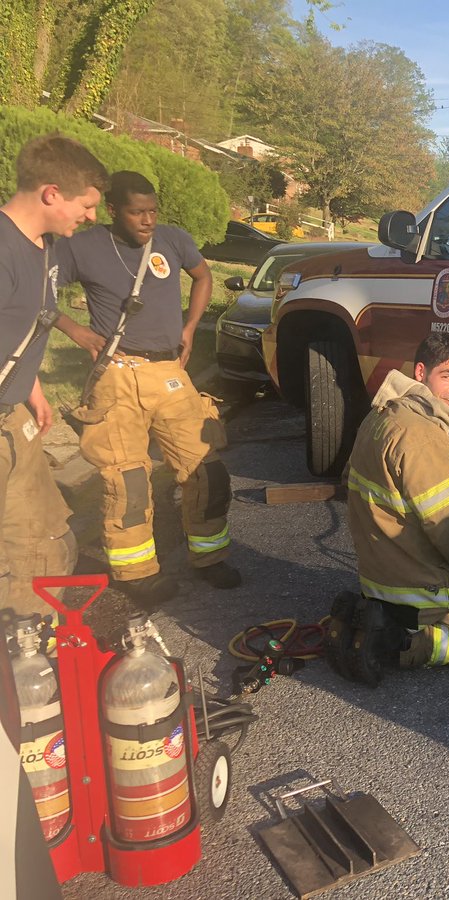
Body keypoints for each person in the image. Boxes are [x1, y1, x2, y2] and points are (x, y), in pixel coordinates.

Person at [54, 171, 238, 605]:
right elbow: (34, 290)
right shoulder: (82, 246)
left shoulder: (172, 239)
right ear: (114, 210)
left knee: (206, 469)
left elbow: (203, 276)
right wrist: (75, 330)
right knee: (129, 481)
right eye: (138, 213)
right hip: (116, 377)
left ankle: (209, 557)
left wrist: (190, 328)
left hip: (168, 373)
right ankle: (136, 573)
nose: (148, 220)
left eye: (153, 211)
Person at [0, 132, 103, 900]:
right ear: (49, 195)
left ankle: (37, 662)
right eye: (85, 204)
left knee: (52, 534)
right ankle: (20, 702)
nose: (89, 217)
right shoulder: (2, 248)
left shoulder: (38, 251)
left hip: (16, 414)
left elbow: (23, 339)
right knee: (21, 557)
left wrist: (33, 393)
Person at [328, 333, 449, 685]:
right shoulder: (419, 434)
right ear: (421, 372)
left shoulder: (380, 415)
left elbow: (349, 481)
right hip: (419, 589)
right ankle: (399, 644)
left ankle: (373, 617)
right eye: (447, 376)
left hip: (379, 576)